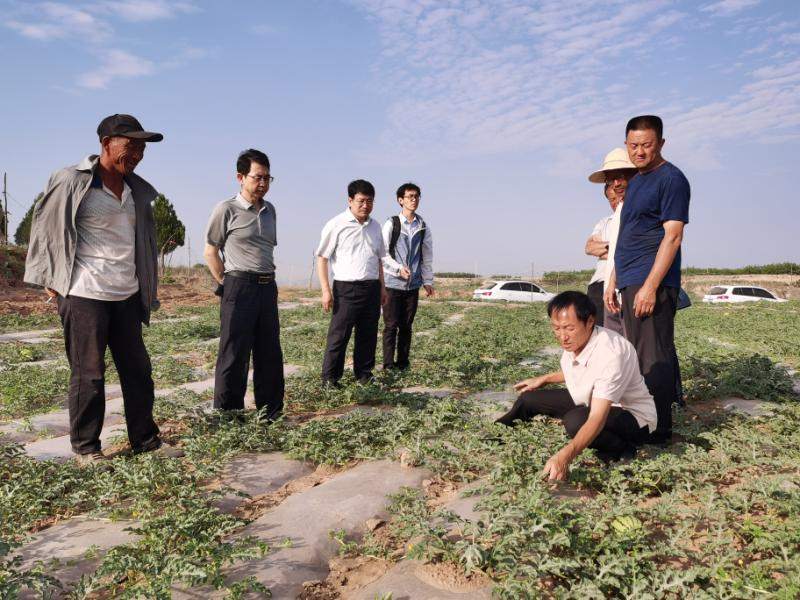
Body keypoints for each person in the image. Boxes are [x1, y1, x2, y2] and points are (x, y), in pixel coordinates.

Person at [24, 114, 181, 463]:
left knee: (138, 371)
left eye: (142, 148)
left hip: (125, 294)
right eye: (131, 145)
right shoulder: (72, 180)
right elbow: (44, 227)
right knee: (89, 374)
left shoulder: (133, 190)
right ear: (107, 142)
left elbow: (142, 242)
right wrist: (50, 277)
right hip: (84, 293)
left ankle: (145, 440)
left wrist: (147, 286)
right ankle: (87, 448)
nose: (138, 153)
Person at [496, 291, 657, 481]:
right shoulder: (579, 341)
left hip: (633, 416)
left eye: (569, 328)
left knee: (575, 421)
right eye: (556, 328)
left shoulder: (610, 353)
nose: (562, 336)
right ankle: (495, 434)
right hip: (594, 398)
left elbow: (597, 416)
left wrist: (565, 456)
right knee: (529, 399)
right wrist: (545, 378)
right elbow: (584, 370)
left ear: (589, 321)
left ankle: (621, 449)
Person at [604, 115, 690, 443]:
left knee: (655, 354)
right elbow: (626, 235)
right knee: (638, 354)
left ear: (661, 144)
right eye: (634, 145)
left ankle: (660, 430)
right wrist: (613, 279)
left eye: (647, 145)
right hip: (630, 278)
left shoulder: (671, 179)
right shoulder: (637, 181)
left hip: (651, 280)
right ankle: (645, 419)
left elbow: (673, 236)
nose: (639, 151)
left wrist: (651, 286)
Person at [204, 149, 285, 420]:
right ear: (240, 177)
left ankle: (269, 412)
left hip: (267, 286)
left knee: (269, 351)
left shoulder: (270, 210)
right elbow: (210, 251)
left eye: (267, 178)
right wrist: (225, 282)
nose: (262, 183)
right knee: (234, 353)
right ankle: (229, 414)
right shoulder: (226, 209)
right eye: (257, 177)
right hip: (239, 285)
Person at [316, 180, 403, 386]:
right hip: (346, 288)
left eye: (370, 201)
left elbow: (379, 259)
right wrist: (326, 291)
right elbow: (322, 258)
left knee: (368, 334)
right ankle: (330, 378)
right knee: (339, 336)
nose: (365, 205)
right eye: (361, 201)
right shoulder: (336, 224)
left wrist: (382, 287)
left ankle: (364, 375)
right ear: (350, 200)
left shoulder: (375, 226)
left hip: (371, 288)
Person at [381, 183, 434, 371]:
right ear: (400, 200)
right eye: (410, 196)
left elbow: (426, 256)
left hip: (412, 286)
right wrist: (398, 269)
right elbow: (383, 253)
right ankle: (388, 365)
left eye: (417, 196)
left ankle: (403, 363)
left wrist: (427, 281)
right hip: (392, 284)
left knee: (406, 326)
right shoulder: (392, 224)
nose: (414, 199)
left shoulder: (423, 226)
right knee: (390, 326)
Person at [585, 147, 636, 335]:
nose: (615, 202)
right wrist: (615, 247)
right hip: (601, 284)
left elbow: (631, 249)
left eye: (617, 197)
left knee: (625, 338)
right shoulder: (605, 222)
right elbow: (589, 247)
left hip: (626, 283)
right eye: (611, 200)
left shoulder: (634, 214)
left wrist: (610, 249)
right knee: (600, 333)